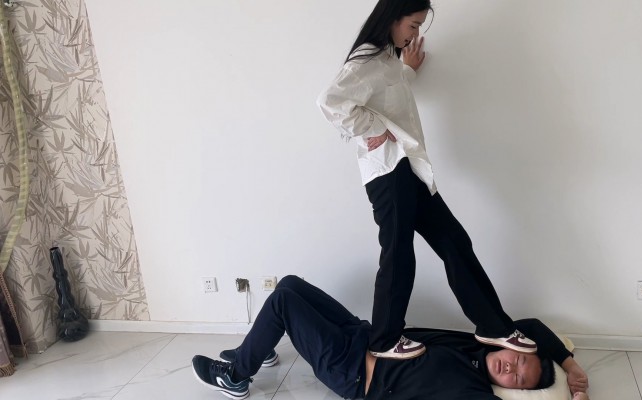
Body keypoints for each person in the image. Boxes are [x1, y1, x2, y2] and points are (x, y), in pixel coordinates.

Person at [317, 0, 536, 360]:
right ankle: (384, 340)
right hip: (389, 172)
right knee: (398, 253)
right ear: (392, 18)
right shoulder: (367, 59)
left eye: (419, 27)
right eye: (413, 25)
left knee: (453, 240)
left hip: (407, 168)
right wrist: (372, 128)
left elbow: (391, 94)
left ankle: (492, 325)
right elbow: (329, 102)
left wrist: (408, 71)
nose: (415, 34)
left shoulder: (385, 60)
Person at [192, 275, 590, 400]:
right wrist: (569, 364)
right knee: (291, 284)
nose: (510, 367)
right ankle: (257, 348)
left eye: (517, 379)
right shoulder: (482, 341)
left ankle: (237, 376)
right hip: (363, 333)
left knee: (283, 302)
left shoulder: (473, 393)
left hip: (351, 370)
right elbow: (533, 327)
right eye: (519, 360)